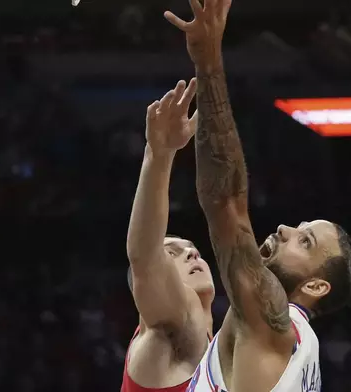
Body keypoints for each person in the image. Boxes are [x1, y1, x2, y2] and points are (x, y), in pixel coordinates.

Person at [164, 1, 351, 391]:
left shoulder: (274, 319)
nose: (286, 228)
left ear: (317, 286)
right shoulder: (304, 356)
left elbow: (227, 205)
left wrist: (208, 63)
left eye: (305, 241)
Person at [121, 79, 216, 392]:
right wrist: (159, 156)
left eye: (191, 248)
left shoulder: (219, 348)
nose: (192, 253)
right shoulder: (163, 336)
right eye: (172, 253)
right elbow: (144, 258)